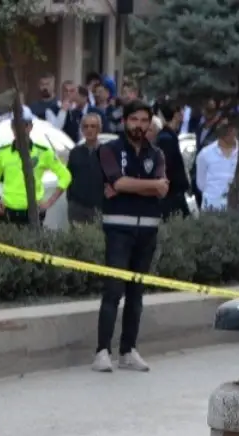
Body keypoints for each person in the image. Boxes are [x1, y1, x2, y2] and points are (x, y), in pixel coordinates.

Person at [92, 99, 166, 374]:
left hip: (148, 228)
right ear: (125, 121)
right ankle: (102, 351)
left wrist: (130, 186)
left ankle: (128, 350)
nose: (139, 125)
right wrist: (146, 186)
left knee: (136, 292)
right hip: (118, 228)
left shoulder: (155, 154)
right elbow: (117, 181)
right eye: (134, 120)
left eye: (145, 121)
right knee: (114, 290)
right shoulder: (110, 150)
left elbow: (162, 188)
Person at [0, 106, 72, 225]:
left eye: (24, 125)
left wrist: (49, 202)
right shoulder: (2, 153)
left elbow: (65, 176)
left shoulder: (43, 152)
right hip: (9, 212)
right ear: (12, 128)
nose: (19, 129)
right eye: (15, 125)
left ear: (30, 127)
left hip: (33, 212)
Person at [154, 102, 191, 219]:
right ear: (176, 114)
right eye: (181, 111)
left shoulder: (169, 136)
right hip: (171, 199)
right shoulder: (166, 139)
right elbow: (165, 169)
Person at [66, 112, 104, 224]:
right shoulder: (75, 152)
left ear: (99, 129)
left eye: (93, 126)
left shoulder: (107, 152)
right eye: (86, 126)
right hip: (77, 207)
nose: (89, 129)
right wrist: (71, 200)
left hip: (99, 208)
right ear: (82, 129)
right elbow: (69, 177)